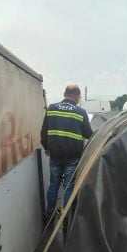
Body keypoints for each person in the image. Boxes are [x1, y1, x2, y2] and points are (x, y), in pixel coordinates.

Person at [41, 84, 93, 223]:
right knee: (68, 187)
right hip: (72, 158)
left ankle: (49, 215)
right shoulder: (80, 112)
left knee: (54, 185)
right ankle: (66, 217)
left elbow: (43, 134)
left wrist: (47, 148)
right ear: (76, 96)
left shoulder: (51, 109)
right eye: (79, 97)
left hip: (55, 156)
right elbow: (89, 134)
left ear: (65, 94)